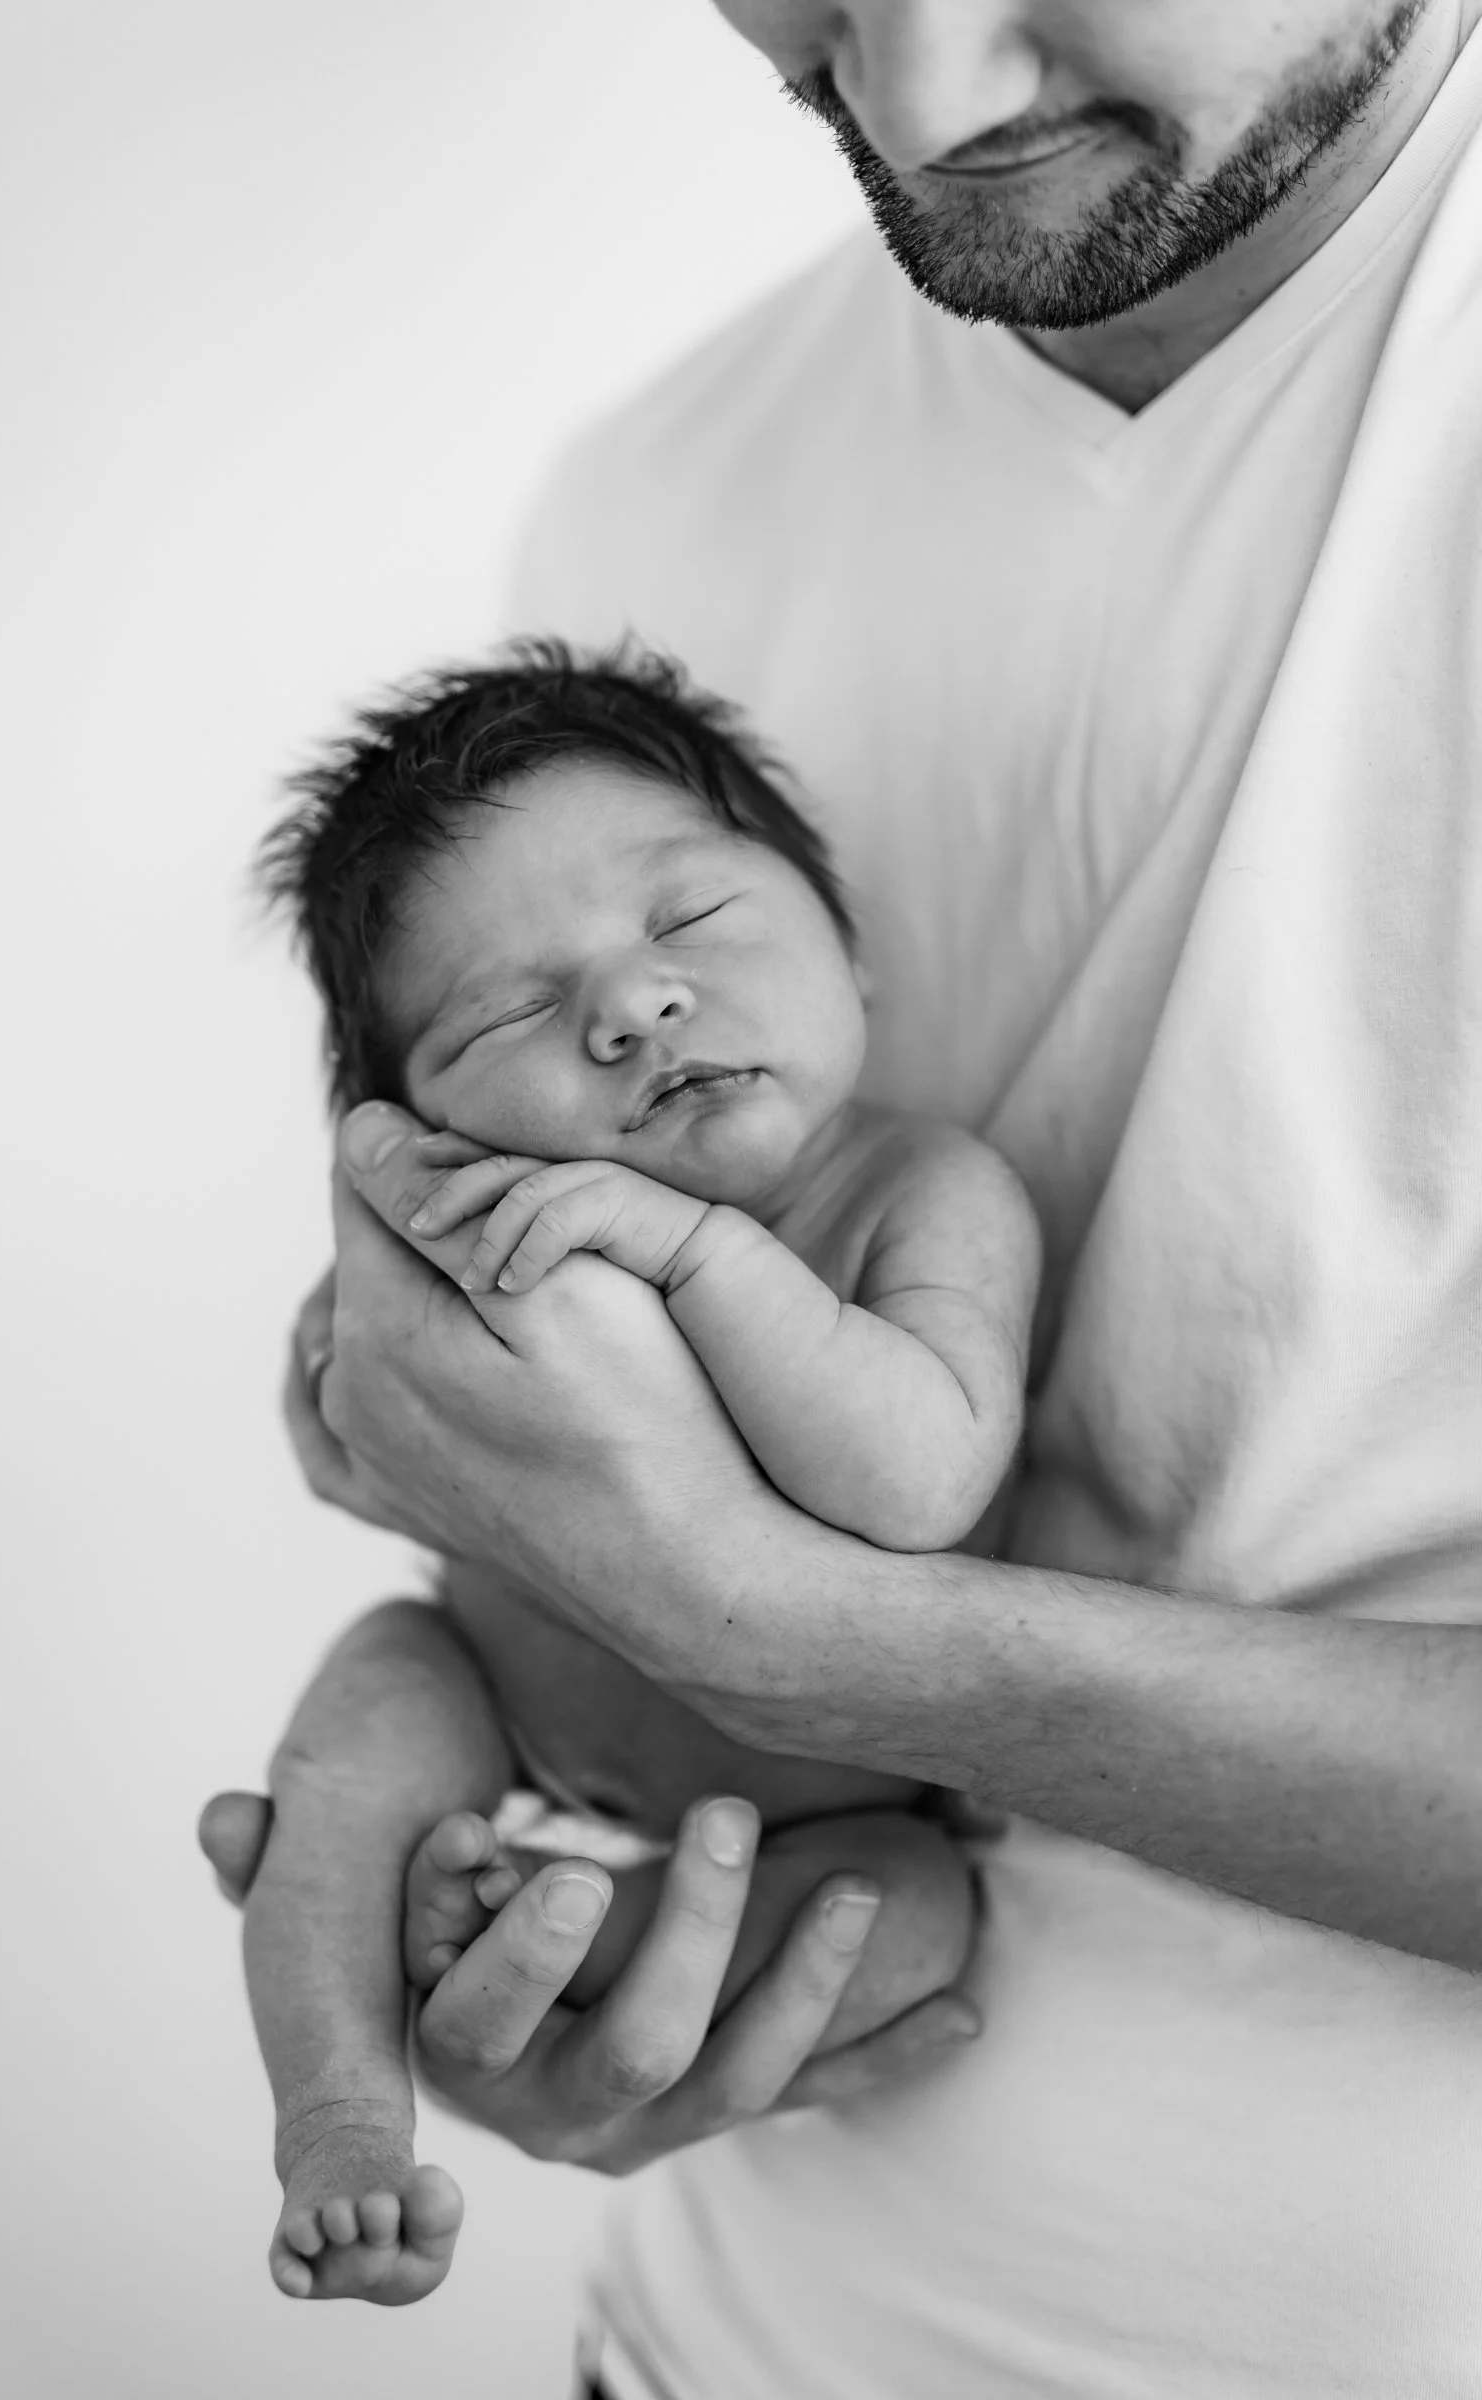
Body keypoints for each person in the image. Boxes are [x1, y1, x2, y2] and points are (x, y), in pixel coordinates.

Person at [203, 3, 1482, 2392]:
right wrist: (517, 1981)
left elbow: (863, 1488)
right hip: (721, 2347)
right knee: (354, 1761)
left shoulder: (911, 1199)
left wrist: (776, 1632)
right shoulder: (647, 528)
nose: (913, 103)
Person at [237, 643, 1025, 2302]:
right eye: (514, 1009)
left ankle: (566, 1945)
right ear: (417, 1126)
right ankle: (341, 2118)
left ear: (849, 944)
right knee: (359, 1743)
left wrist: (691, 1251)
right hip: (496, 1693)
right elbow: (364, 1399)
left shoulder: (915, 1196)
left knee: (907, 1917)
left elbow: (921, 1483)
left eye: (691, 922)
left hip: (818, 1810)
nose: (628, 1004)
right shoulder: (505, 1230)